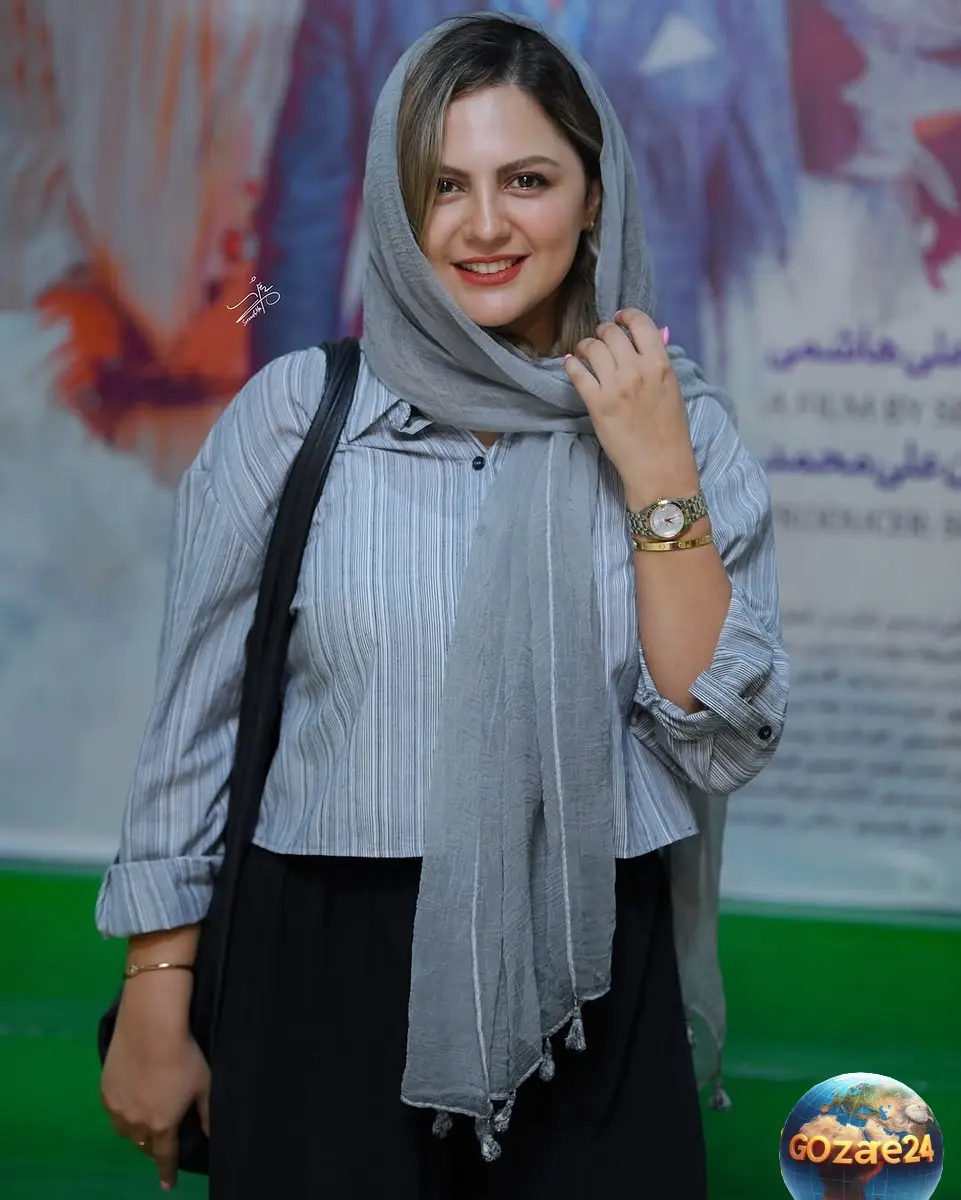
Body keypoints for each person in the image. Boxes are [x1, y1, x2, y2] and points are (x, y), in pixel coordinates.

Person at [97, 13, 788, 1199]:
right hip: (321, 972)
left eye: (527, 180)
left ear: (593, 197)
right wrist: (157, 998)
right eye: (443, 184)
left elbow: (717, 740)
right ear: (394, 203)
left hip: (588, 978)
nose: (482, 225)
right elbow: (194, 727)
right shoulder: (296, 415)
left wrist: (656, 473)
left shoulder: (680, 430)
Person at [251, 0, 799, 367]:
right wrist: (298, 414)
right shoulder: (361, 10)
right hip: (420, 395)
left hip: (646, 379)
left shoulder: (731, 11)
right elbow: (300, 229)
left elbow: (762, 224)